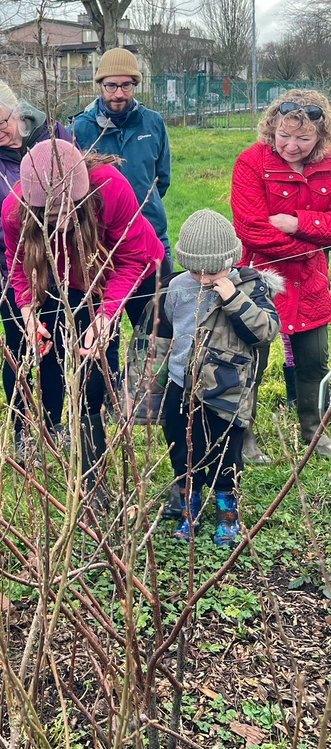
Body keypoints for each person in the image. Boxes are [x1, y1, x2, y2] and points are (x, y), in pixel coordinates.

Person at [1, 139, 164, 478]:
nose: (60, 224)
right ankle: (86, 452)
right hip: (71, 278)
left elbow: (132, 258)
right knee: (77, 354)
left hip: (134, 265)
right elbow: (19, 268)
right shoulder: (13, 210)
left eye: (68, 210)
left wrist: (105, 316)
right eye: (50, 214)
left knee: (119, 347)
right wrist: (29, 313)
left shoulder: (110, 187)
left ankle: (122, 421)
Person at [158, 210, 281, 546]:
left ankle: (228, 511)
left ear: (232, 260)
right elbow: (160, 335)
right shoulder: (175, 287)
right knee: (184, 450)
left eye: (213, 270)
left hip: (226, 388)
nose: (205, 277)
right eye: (196, 269)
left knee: (226, 452)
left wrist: (232, 298)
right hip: (182, 385)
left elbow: (265, 332)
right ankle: (190, 507)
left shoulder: (251, 287)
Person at [0, 79, 72, 447]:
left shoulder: (53, 135)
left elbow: (74, 187)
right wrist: (29, 238)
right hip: (10, 269)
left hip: (60, 264)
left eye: (2, 122)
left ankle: (55, 425)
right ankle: (23, 431)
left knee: (56, 345)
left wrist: (53, 235)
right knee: (22, 348)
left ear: (18, 112)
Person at [232, 89, 331, 460]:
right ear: (272, 127)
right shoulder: (251, 163)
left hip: (312, 283)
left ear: (320, 137)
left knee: (314, 360)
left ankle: (314, 430)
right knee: (250, 361)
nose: (292, 146)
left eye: (303, 139)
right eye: (284, 135)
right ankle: (244, 436)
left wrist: (298, 221)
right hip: (261, 279)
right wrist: (313, 247)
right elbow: (252, 229)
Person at [72, 47, 172, 272]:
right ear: (100, 85)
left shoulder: (153, 123)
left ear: (135, 85)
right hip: (101, 244)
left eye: (126, 85)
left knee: (157, 307)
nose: (118, 93)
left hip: (151, 234)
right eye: (111, 86)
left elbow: (162, 179)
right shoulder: (79, 129)